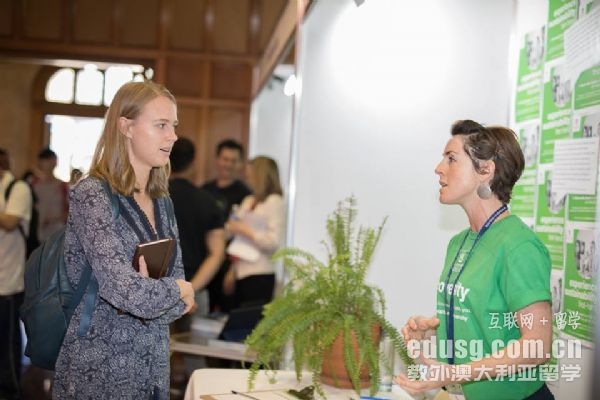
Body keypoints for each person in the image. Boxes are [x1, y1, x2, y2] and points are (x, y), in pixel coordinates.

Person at [52, 81, 195, 400]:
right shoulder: (93, 194)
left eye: (173, 125)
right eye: (161, 125)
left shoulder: (163, 201)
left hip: (153, 363)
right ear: (126, 127)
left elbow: (177, 304)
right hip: (99, 364)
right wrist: (172, 290)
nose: (173, 136)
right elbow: (125, 291)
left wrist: (162, 292)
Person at [396, 120, 553, 400]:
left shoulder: (519, 245)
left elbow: (537, 345)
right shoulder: (459, 242)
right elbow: (484, 318)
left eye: (451, 159)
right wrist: (431, 331)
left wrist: (456, 374)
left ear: (485, 170)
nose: (438, 168)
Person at [169, 137, 225, 323]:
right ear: (193, 163)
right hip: (195, 288)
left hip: (156, 289)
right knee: (193, 341)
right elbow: (217, 254)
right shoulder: (207, 202)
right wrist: (191, 289)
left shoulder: (151, 197)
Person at [223, 156, 284, 308]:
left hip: (260, 273)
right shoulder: (248, 200)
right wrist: (232, 270)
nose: (247, 177)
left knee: (252, 319)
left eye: (251, 173)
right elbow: (234, 235)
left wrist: (245, 230)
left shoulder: (274, 201)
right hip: (240, 271)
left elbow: (272, 242)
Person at [202, 139, 252, 312]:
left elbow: (246, 237)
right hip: (203, 263)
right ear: (217, 160)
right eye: (225, 159)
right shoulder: (204, 191)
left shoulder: (246, 195)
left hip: (230, 267)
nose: (228, 165)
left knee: (227, 314)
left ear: (240, 164)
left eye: (233, 160)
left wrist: (233, 269)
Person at [0, 148, 33, 400]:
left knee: (6, 344)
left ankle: (9, 390)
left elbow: (10, 222)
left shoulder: (18, 188)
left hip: (7, 280)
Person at [31, 148, 69, 241]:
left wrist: (52, 218)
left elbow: (69, 212)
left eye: (52, 160)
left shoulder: (63, 186)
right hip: (36, 232)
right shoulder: (33, 184)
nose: (49, 163)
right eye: (46, 160)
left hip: (56, 233)